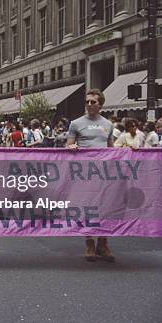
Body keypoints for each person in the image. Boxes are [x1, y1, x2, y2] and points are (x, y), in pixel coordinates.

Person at [66, 88, 115, 262]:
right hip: (84, 173)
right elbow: (68, 145)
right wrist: (71, 147)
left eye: (92, 102)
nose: (89, 104)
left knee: (105, 208)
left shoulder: (108, 125)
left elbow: (112, 149)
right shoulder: (76, 123)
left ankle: (103, 243)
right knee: (86, 208)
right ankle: (89, 243)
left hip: (103, 174)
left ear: (100, 104)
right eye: (87, 101)